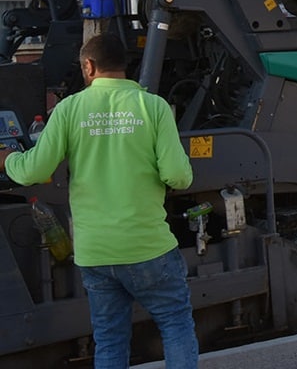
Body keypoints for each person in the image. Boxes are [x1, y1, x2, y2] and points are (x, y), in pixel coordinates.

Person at [0, 33, 198, 368]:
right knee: (175, 324)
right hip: (148, 247)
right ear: (123, 65)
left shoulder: (69, 109)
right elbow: (179, 176)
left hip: (96, 252)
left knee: (109, 338)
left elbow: (34, 170)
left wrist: (8, 160)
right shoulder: (153, 106)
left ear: (89, 66)